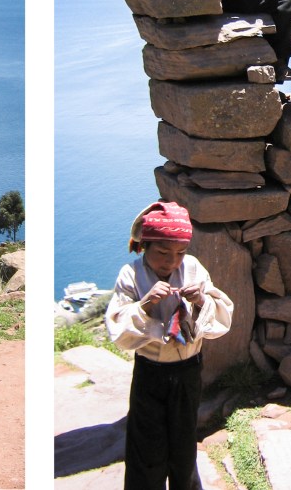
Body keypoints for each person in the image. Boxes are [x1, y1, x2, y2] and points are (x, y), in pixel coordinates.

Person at [105, 201, 234, 490]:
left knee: (184, 444)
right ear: (145, 245)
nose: (171, 261)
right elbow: (118, 326)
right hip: (150, 372)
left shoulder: (193, 269)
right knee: (146, 446)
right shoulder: (131, 275)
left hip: (188, 371)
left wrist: (201, 300)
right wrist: (146, 304)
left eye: (179, 253)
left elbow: (221, 315)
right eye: (162, 253)